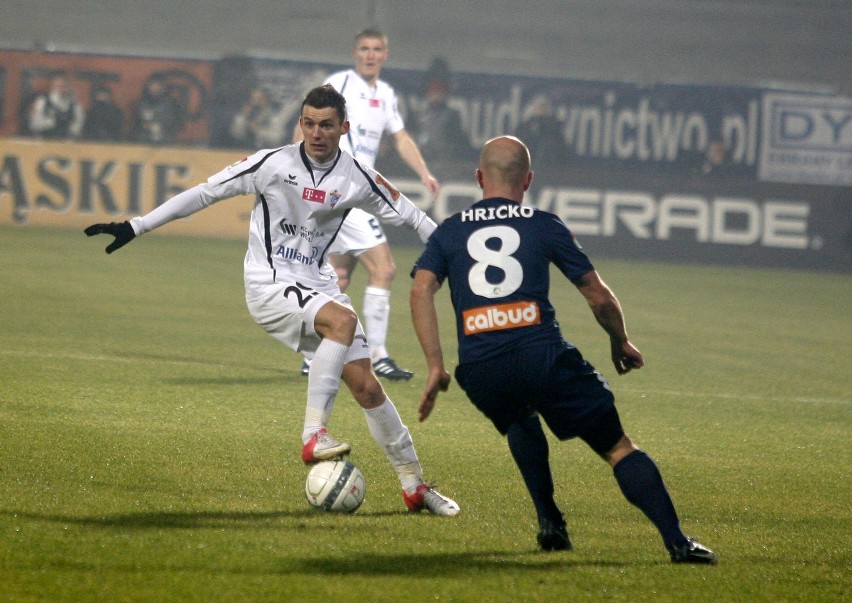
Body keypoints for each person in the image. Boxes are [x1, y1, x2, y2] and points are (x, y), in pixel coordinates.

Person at [84, 84, 460, 516]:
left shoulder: (356, 177)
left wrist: (455, 256)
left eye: (326, 125)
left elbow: (413, 216)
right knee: (342, 322)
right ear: (300, 123)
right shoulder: (271, 163)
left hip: (317, 283)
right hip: (269, 282)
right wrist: (136, 226)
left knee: (368, 386)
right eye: (309, 123)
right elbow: (204, 192)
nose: (316, 133)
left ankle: (414, 486)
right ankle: (313, 435)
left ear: (344, 128)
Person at [409, 135, 717, 559]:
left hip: (482, 368)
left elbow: (421, 289)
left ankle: (550, 522)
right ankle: (678, 543)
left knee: (518, 416)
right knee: (617, 447)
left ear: (479, 177)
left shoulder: (448, 231)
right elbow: (598, 296)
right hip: (542, 356)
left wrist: (434, 365)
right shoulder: (543, 224)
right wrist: (620, 341)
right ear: (528, 180)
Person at [294, 27, 441, 381]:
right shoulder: (338, 85)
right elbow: (305, 128)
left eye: (376, 49)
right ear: (355, 52)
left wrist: (423, 172)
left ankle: (314, 354)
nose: (370, 55)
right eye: (364, 48)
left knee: (337, 276)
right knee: (384, 269)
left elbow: (400, 136)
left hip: (353, 192)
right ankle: (377, 354)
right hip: (341, 188)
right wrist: (297, 176)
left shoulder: (386, 94)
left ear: (385, 55)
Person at [411, 57, 475, 166]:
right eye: (433, 87)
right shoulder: (414, 116)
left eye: (440, 88)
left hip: (443, 170)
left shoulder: (452, 118)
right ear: (427, 89)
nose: (436, 92)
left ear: (446, 91)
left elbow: (461, 147)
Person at [514, 95, 569, 168]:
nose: (541, 109)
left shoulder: (554, 125)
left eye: (544, 107)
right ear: (534, 108)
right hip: (530, 157)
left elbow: (559, 143)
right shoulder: (526, 125)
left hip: (549, 162)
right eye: (539, 107)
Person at [27, 75, 85, 140]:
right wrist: (52, 122)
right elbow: (34, 124)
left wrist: (69, 128)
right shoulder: (43, 102)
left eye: (63, 86)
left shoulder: (75, 105)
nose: (60, 89)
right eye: (58, 86)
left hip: (66, 142)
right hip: (45, 140)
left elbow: (78, 125)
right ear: (52, 87)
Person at [131, 79, 184, 145]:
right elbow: (136, 124)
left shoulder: (171, 103)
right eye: (152, 85)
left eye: (157, 85)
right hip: (143, 141)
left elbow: (178, 122)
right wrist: (143, 126)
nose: (154, 88)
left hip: (167, 141)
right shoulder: (142, 103)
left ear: (162, 87)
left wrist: (164, 127)